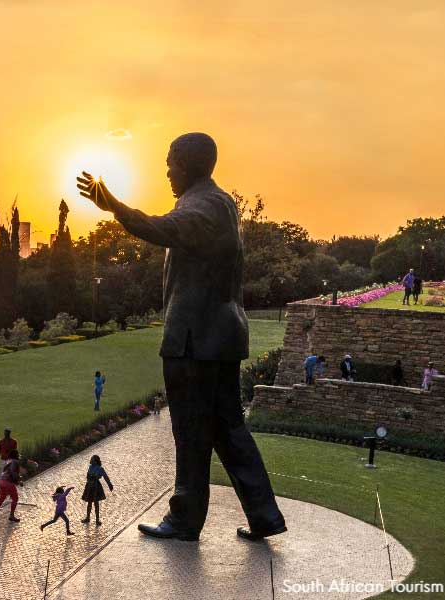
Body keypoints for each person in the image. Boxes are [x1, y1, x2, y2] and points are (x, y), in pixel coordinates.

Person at [78, 132, 286, 542]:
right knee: (228, 429)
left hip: (196, 339)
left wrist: (113, 205)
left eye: (171, 162)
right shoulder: (218, 203)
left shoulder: (203, 207)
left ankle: (184, 520)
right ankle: (264, 515)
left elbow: (159, 229)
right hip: (218, 336)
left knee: (192, 431)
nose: (167, 170)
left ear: (188, 165)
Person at [81, 455, 115, 526]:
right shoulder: (90, 467)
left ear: (95, 461)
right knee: (89, 502)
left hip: (96, 487)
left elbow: (106, 477)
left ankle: (97, 520)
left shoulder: (100, 469)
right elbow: (88, 476)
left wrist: (110, 485)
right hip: (89, 486)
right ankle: (88, 518)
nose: (90, 460)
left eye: (92, 459)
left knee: (96, 503)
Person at [0, 448, 22, 522]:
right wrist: (18, 479)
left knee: (2, 497)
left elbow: (7, 472)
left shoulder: (8, 461)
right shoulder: (15, 462)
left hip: (1, 481)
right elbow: (12, 473)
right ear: (16, 455)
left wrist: (17, 479)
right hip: (8, 482)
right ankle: (11, 516)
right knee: (15, 498)